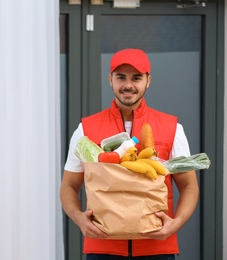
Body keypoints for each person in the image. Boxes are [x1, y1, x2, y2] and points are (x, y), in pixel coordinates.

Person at [60, 48, 199, 260]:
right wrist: (79, 219)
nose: (128, 85)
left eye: (136, 78)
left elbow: (189, 185)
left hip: (157, 246)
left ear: (148, 81)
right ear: (110, 79)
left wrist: (175, 224)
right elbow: (69, 185)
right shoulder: (86, 129)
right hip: (102, 246)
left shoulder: (172, 128)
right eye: (121, 77)